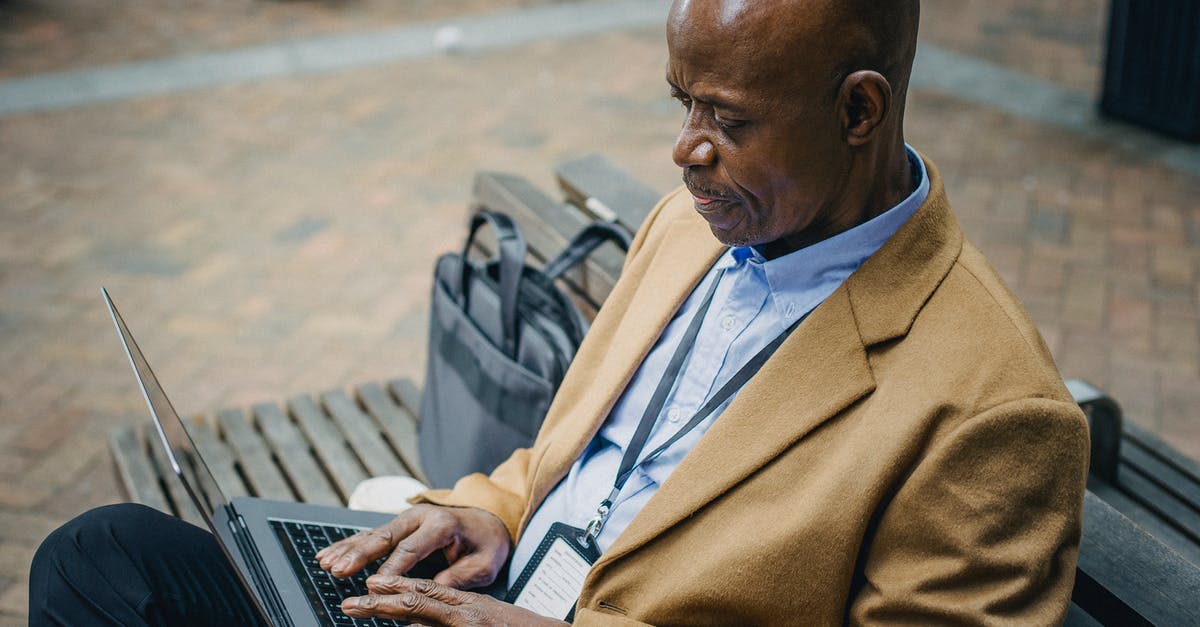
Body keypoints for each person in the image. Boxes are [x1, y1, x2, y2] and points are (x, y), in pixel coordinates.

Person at [31, 0, 1089, 625]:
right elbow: (576, 458)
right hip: (482, 592)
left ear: (859, 110)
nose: (685, 151)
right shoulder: (697, 226)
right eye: (683, 105)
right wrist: (485, 509)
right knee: (101, 560)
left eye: (725, 118)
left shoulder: (989, 408)